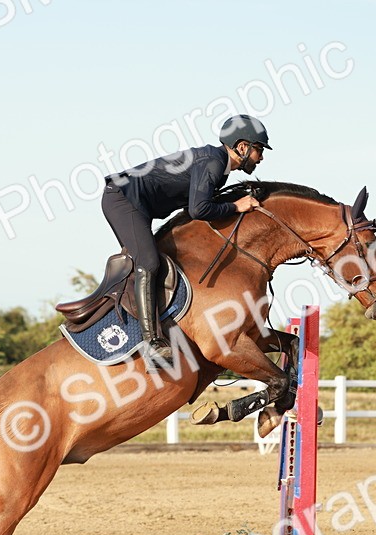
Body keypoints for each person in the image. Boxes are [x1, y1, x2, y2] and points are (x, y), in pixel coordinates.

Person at [102, 114, 271, 368]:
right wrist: (237, 206)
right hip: (123, 199)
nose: (261, 157)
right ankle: (152, 344)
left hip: (138, 204)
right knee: (148, 261)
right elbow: (199, 209)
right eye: (258, 150)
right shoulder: (213, 163)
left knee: (155, 258)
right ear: (242, 147)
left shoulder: (219, 166)